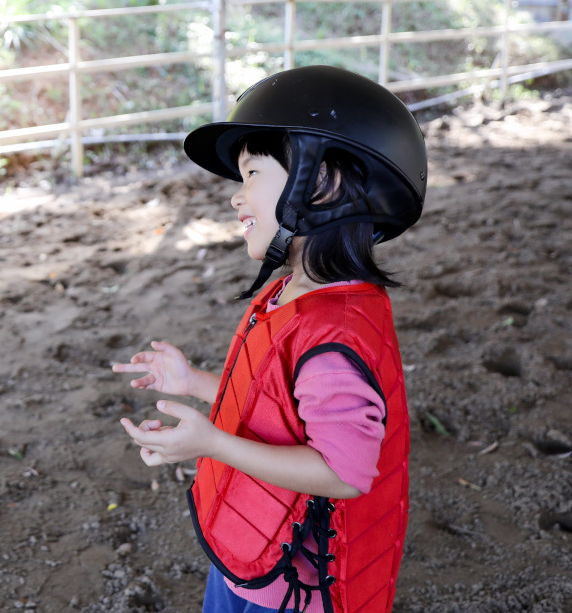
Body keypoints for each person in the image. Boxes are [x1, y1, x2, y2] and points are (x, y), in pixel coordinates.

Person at [112, 65, 427, 613]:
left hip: (296, 587)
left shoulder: (336, 333)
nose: (237, 198)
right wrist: (192, 383)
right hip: (255, 553)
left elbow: (344, 472)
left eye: (252, 173)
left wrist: (211, 444)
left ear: (322, 181)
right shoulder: (291, 293)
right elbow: (270, 400)